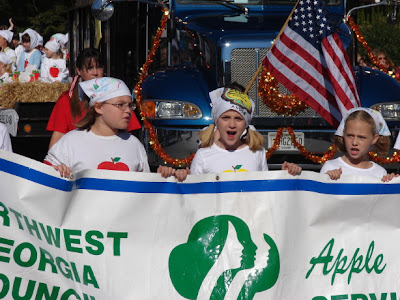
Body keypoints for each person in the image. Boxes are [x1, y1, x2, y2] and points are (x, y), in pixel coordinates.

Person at [159, 87, 302, 181]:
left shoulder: (257, 152)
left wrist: (286, 176)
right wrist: (176, 176)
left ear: (246, 125)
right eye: (225, 118)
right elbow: (192, 196)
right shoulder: (203, 155)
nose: (232, 125)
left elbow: (265, 192)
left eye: (238, 119)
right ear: (217, 122)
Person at [44, 77, 149, 177]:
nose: (128, 110)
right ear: (98, 107)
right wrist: (56, 171)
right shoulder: (70, 142)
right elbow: (45, 178)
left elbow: (146, 188)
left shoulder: (134, 145)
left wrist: (163, 177)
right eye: (120, 105)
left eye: (130, 105)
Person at [46, 48, 141, 149]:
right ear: (78, 70)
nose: (95, 73)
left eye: (99, 67)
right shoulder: (66, 100)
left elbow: (129, 135)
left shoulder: (117, 97)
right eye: (90, 68)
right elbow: (57, 138)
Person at [320, 107, 397, 182]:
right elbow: (318, 193)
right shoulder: (330, 167)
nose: (354, 142)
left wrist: (393, 182)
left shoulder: (380, 173)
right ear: (343, 134)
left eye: (362, 137)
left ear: (374, 139)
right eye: (350, 135)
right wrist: (326, 179)